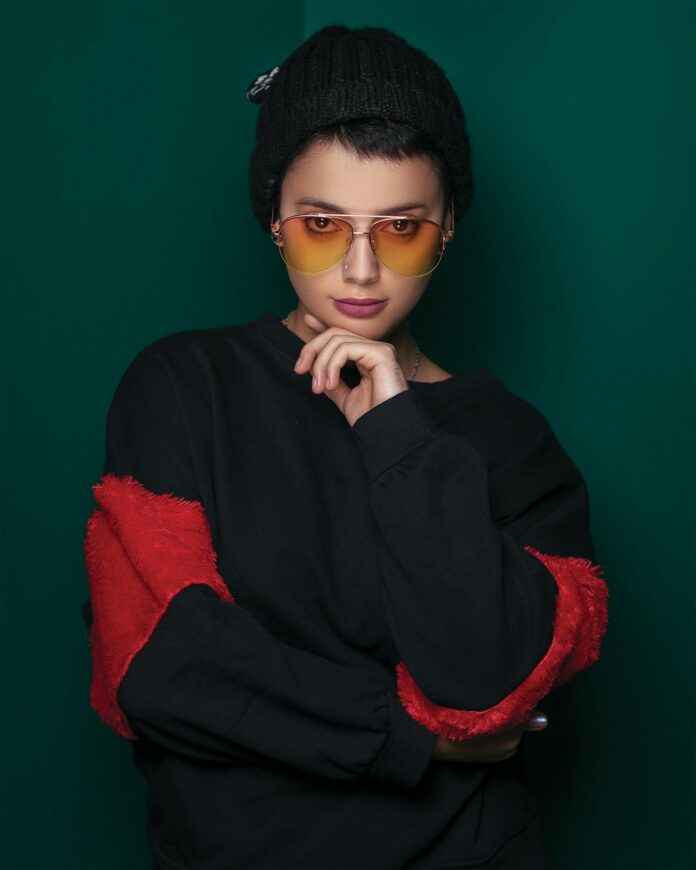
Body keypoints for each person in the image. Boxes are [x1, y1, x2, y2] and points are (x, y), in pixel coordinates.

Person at [82, 24, 609, 870]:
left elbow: (485, 683)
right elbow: (157, 667)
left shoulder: (514, 442)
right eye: (322, 225)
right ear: (274, 219)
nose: (361, 271)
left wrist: (394, 429)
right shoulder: (183, 386)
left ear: (448, 228)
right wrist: (417, 737)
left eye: (401, 228)